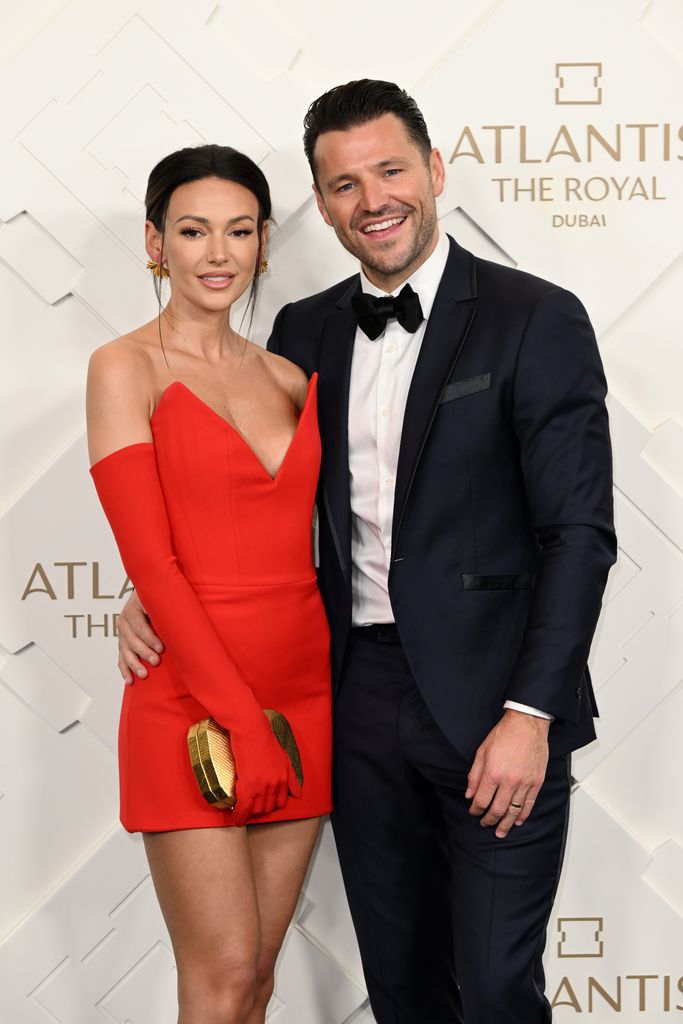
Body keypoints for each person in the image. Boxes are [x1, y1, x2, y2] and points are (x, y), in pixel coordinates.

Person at [116, 82, 616, 1023]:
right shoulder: (299, 333)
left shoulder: (531, 316)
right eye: (342, 184)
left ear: (433, 171)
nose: (370, 198)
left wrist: (530, 710)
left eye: (389, 170)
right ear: (321, 205)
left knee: (499, 987)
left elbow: (578, 534)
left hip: (494, 698)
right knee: (399, 984)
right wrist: (152, 586)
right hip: (344, 695)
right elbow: (248, 492)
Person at [87, 144, 332, 1024]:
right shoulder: (124, 368)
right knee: (221, 973)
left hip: (303, 690)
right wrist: (237, 720)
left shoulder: (289, 377)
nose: (218, 253)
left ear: (266, 243)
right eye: (193, 231)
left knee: (258, 976)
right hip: (190, 697)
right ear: (156, 244)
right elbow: (154, 561)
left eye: (239, 231)